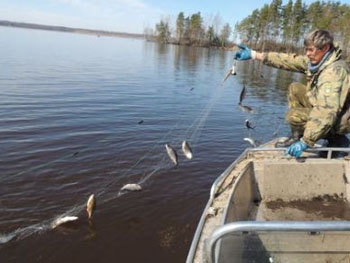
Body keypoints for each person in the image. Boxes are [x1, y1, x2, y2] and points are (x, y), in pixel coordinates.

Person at [234, 29, 350, 158]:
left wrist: (306, 141)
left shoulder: (333, 73)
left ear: (325, 48)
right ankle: (297, 135)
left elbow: (326, 112)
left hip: (341, 119)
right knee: (295, 88)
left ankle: (337, 139)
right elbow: (289, 60)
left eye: (311, 50)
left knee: (293, 116)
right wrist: (255, 55)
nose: (307, 53)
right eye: (306, 49)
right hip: (334, 110)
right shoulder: (321, 60)